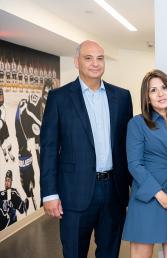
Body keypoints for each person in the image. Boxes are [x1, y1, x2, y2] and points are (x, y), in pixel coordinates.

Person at [40, 40, 133, 258]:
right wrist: (49, 194)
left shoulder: (122, 97)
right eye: (88, 58)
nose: (95, 63)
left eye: (100, 58)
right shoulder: (59, 98)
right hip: (74, 193)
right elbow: (49, 148)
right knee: (74, 252)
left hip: (114, 191)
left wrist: (134, 188)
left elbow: (126, 146)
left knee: (110, 252)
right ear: (76, 61)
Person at [122, 69, 167, 258]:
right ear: (147, 97)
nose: (160, 94)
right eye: (153, 90)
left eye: (164, 87)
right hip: (149, 198)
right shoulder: (137, 124)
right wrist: (161, 196)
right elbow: (134, 165)